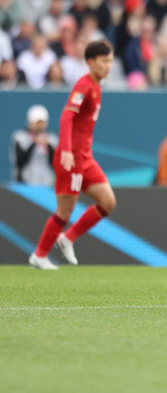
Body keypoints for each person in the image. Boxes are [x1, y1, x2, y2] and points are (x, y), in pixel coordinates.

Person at [28, 40, 116, 270]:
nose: (109, 66)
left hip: (86, 158)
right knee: (64, 212)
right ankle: (39, 255)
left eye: (110, 61)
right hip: (72, 158)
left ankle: (67, 238)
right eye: (104, 61)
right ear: (91, 62)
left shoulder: (96, 86)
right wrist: (66, 149)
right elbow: (67, 116)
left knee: (108, 202)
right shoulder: (84, 86)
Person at [10, 105, 58, 185]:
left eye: (42, 122)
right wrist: (34, 143)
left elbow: (56, 164)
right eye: (36, 122)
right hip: (24, 185)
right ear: (29, 122)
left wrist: (48, 146)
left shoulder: (52, 140)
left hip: (47, 185)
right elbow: (19, 161)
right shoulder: (20, 138)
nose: (39, 126)